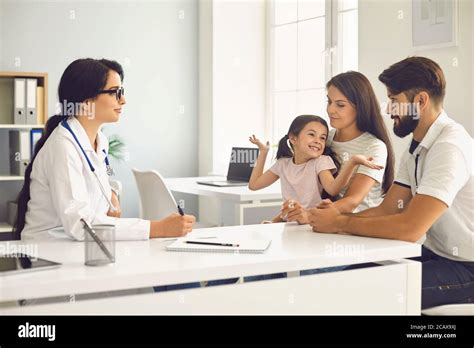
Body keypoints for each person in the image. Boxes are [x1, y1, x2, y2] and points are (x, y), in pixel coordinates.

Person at [309, 57, 474, 309]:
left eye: (394, 101)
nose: (388, 110)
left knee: (365, 292)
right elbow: (390, 208)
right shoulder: (417, 145)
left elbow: (410, 228)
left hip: (465, 268)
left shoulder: (449, 147)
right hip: (435, 255)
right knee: (346, 277)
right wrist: (333, 222)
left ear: (420, 101)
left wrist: (340, 223)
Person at [14, 58, 196, 242]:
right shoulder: (62, 147)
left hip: (78, 248)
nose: (123, 100)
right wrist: (157, 228)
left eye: (121, 92)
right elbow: (80, 225)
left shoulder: (100, 141)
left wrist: (112, 193)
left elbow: (94, 182)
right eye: (115, 93)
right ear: (86, 101)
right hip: (47, 253)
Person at [280, 71, 394, 226]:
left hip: (359, 228)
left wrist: (309, 214)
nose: (330, 110)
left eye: (340, 105)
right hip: (326, 225)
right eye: (329, 102)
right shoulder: (325, 140)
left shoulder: (374, 147)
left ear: (360, 106)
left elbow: (352, 201)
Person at [248, 114, 383, 222]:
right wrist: (264, 152)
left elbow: (333, 188)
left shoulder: (320, 162)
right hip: (293, 224)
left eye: (323, 138)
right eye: (311, 134)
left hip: (313, 223)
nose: (318, 141)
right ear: (293, 138)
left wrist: (352, 162)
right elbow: (254, 185)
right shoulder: (283, 164)